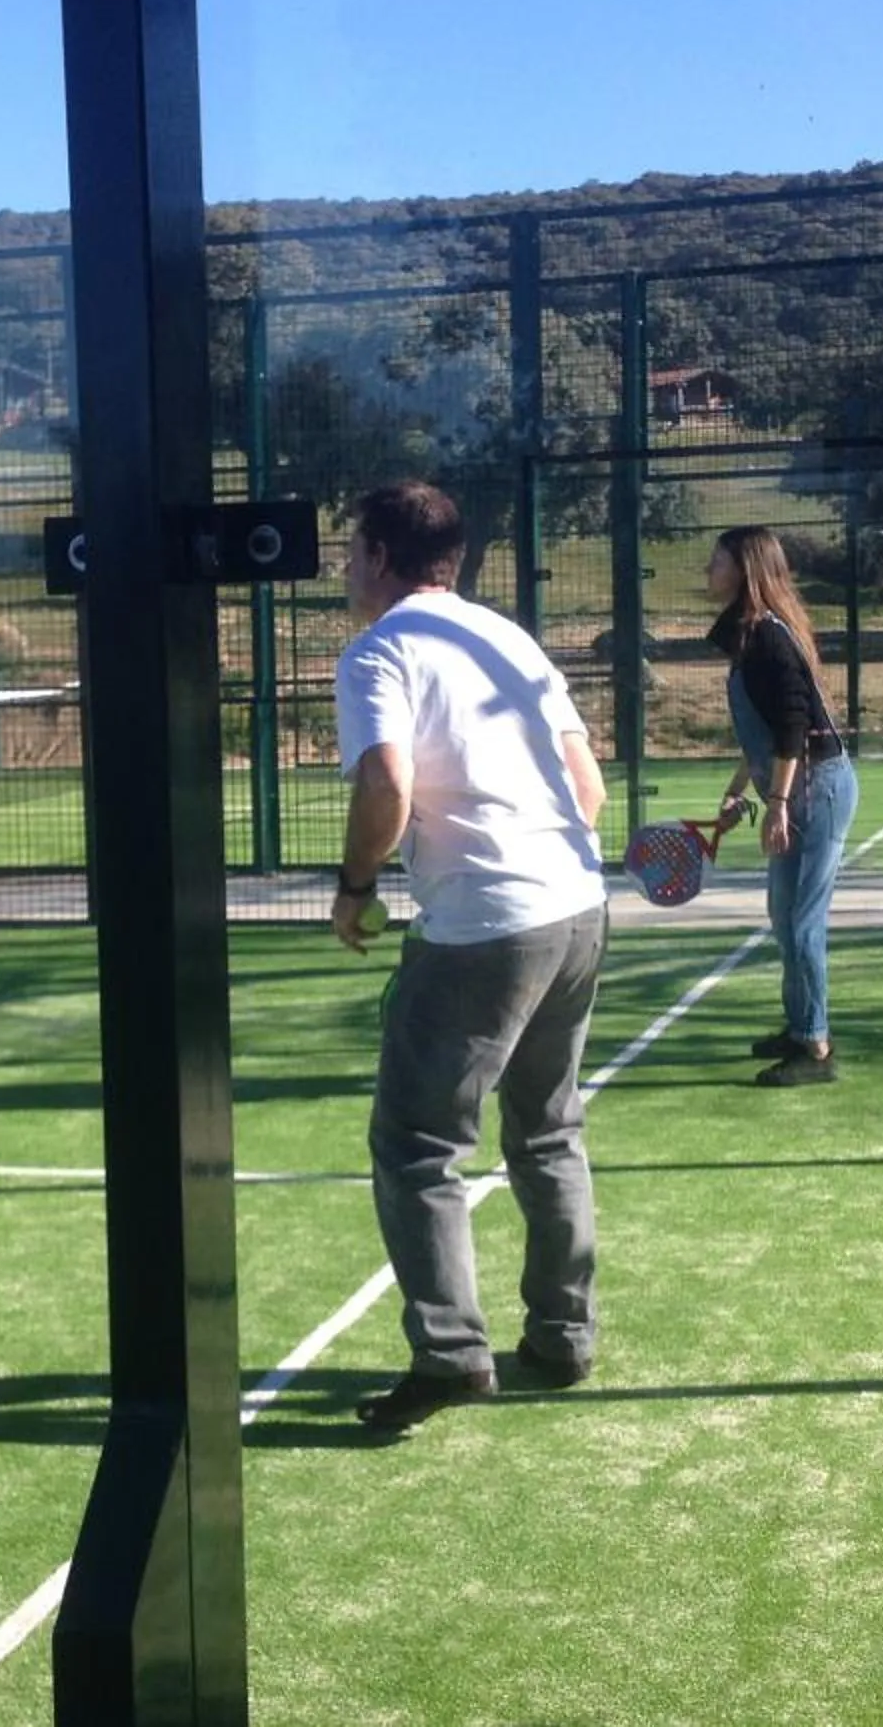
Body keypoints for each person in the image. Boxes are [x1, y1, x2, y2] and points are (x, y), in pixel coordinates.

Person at [331, 480, 611, 1435]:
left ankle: (451, 1355)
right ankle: (563, 1336)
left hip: (482, 929)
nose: (344, 566)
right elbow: (590, 787)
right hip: (577, 908)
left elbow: (386, 785)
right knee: (548, 1129)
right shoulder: (506, 637)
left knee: (416, 1145)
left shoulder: (379, 652)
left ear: (376, 553)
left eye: (350, 548)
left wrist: (356, 883)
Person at [706, 524, 858, 1087]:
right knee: (782, 917)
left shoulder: (769, 636)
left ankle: (815, 1047)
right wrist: (739, 786)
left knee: (802, 924)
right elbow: (767, 730)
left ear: (744, 571)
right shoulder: (749, 635)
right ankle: (799, 1026)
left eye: (716, 562)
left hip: (819, 788)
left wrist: (776, 802)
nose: (708, 571)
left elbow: (795, 726)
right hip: (796, 786)